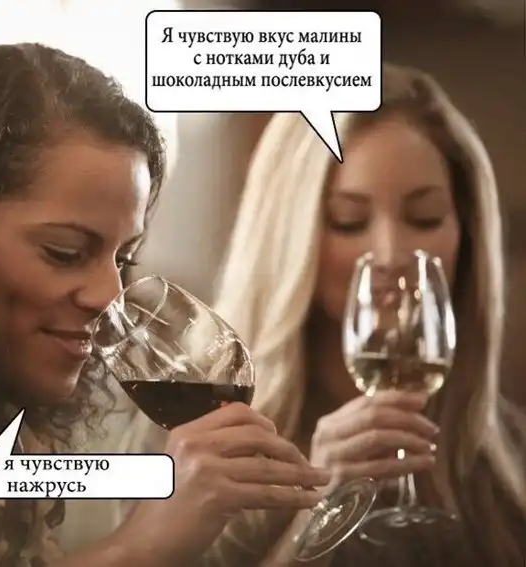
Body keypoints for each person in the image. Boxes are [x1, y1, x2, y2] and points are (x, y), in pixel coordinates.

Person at [0, 43, 333, 567]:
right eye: (65, 252)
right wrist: (143, 544)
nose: (110, 297)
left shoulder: (2, 426)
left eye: (124, 258)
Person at [105, 63, 525, 566]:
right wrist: (319, 512)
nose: (390, 254)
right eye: (348, 221)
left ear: (468, 234)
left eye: (424, 218)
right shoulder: (191, 440)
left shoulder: (509, 457)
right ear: (289, 238)